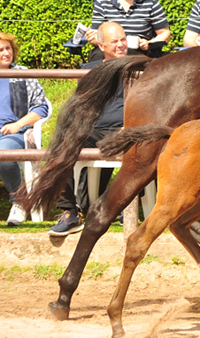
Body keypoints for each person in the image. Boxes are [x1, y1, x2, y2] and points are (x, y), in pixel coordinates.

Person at [48, 22, 128, 236]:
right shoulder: (88, 71)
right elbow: (79, 106)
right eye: (115, 41)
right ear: (101, 45)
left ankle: (116, 207)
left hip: (124, 129)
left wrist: (129, 126)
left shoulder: (138, 68)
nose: (121, 45)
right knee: (63, 141)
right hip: (93, 130)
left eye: (123, 39)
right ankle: (69, 211)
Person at [0, 31, 49, 226]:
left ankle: (19, 201)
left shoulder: (22, 74)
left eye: (8, 48)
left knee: (3, 154)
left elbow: (41, 108)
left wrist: (18, 124)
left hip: (14, 134)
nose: (6, 53)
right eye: (1, 50)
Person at [85, 0, 170, 62]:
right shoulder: (103, 2)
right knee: (97, 56)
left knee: (129, 55)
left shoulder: (149, 1)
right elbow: (98, 37)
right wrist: (93, 39)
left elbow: (165, 34)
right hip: (109, 51)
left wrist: (149, 43)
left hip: (138, 51)